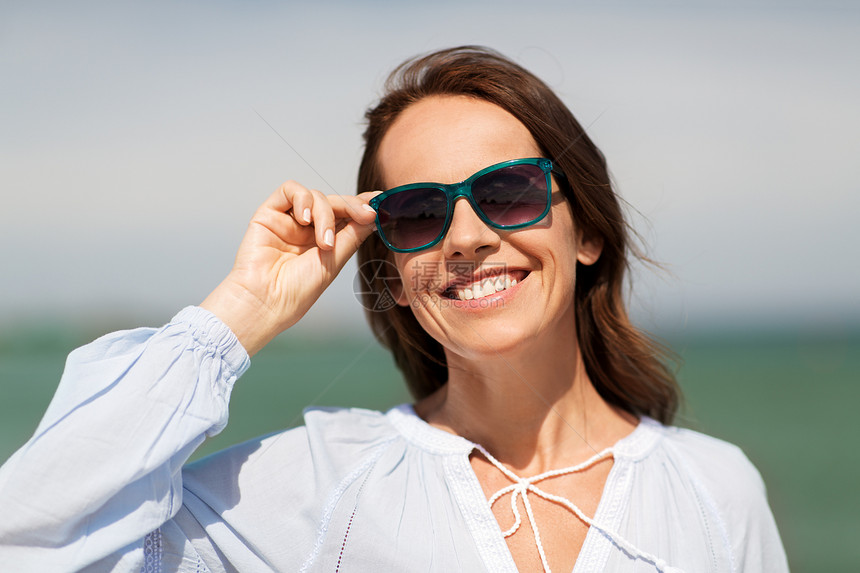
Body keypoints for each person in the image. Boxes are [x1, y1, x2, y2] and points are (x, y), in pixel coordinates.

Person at [0, 46, 787, 572]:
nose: (469, 237)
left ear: (585, 230)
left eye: (509, 192)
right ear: (398, 275)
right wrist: (239, 314)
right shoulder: (314, 485)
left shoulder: (716, 490)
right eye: (418, 212)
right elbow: (29, 537)